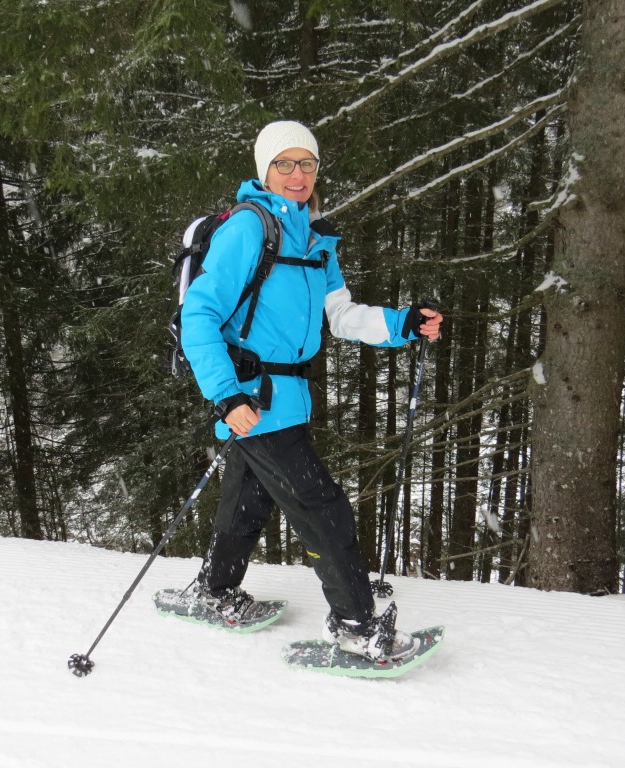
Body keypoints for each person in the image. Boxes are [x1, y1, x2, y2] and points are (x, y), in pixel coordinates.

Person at [179, 120, 443, 661]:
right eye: (285, 164)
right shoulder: (248, 229)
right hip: (252, 399)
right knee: (323, 508)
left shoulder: (316, 239)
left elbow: (341, 316)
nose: (298, 175)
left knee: (248, 498)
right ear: (265, 170)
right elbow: (199, 314)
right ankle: (355, 625)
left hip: (287, 397)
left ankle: (215, 588)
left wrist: (403, 323)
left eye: (307, 164)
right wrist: (227, 396)